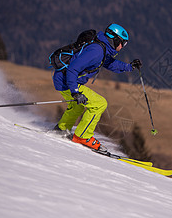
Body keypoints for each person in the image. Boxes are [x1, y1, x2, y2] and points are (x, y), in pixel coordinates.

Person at [52, 23, 142, 152]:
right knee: (99, 104)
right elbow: (73, 69)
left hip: (63, 80)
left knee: (77, 106)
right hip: (67, 82)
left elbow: (110, 64)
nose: (122, 46)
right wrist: (75, 92)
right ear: (115, 39)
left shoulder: (102, 48)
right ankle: (83, 136)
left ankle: (62, 128)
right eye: (123, 43)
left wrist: (129, 67)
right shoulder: (97, 51)